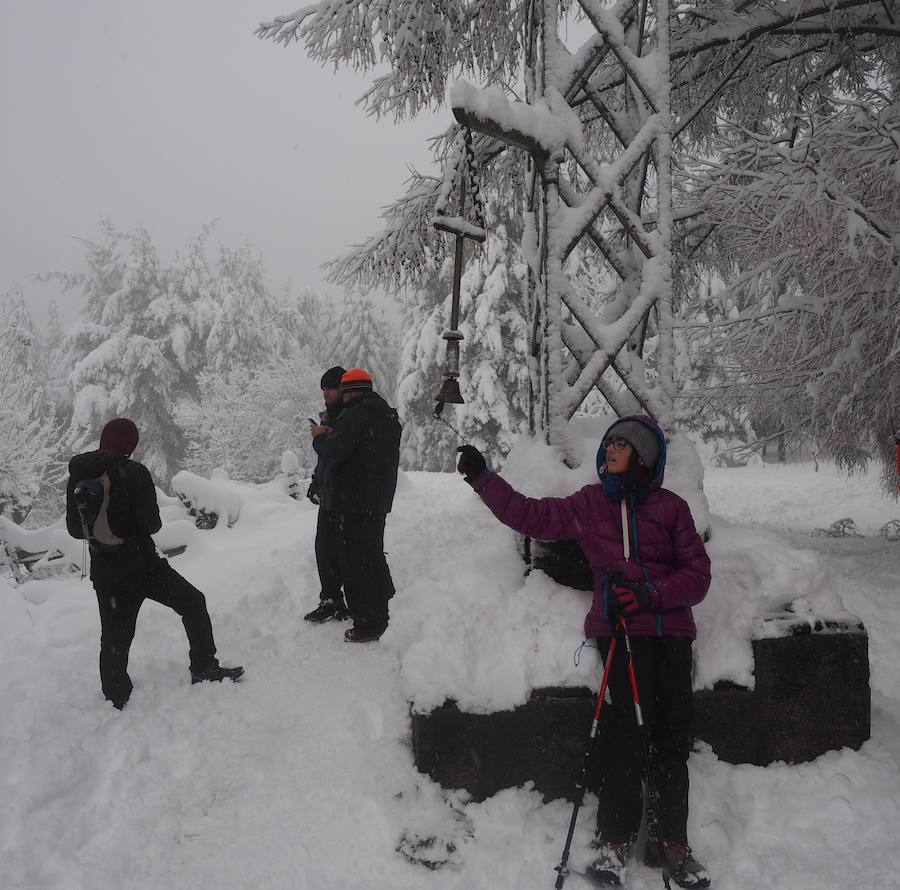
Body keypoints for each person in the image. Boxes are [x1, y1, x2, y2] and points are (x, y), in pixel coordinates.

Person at [456, 415, 711, 889]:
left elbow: (698, 576)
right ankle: (614, 840)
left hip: (672, 634)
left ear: (643, 455)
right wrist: (483, 479)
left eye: (621, 444)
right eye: (609, 442)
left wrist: (652, 593)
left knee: (672, 737)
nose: (609, 449)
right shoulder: (591, 504)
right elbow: (532, 516)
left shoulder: (672, 508)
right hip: (622, 636)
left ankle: (671, 841)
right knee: (627, 736)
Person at [66, 418, 244, 710]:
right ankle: (203, 666)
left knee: (113, 636)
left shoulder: (78, 475)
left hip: (105, 572)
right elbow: (152, 524)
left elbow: (74, 529)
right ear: (130, 444)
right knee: (193, 603)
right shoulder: (134, 472)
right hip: (142, 567)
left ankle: (115, 694)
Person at [310, 368, 401, 642]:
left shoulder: (354, 415)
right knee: (372, 555)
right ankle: (386, 605)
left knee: (355, 563)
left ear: (349, 392)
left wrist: (319, 437)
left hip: (353, 503)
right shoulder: (387, 416)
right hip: (377, 500)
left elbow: (333, 452)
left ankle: (367, 623)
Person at [303, 365, 351, 623]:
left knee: (345, 552)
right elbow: (325, 459)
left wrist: (324, 436)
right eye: (323, 388)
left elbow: (340, 452)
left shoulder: (349, 415)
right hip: (330, 494)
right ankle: (331, 599)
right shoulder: (328, 416)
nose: (325, 393)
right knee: (324, 549)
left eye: (330, 388)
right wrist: (315, 481)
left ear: (342, 388)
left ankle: (349, 600)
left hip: (346, 497)